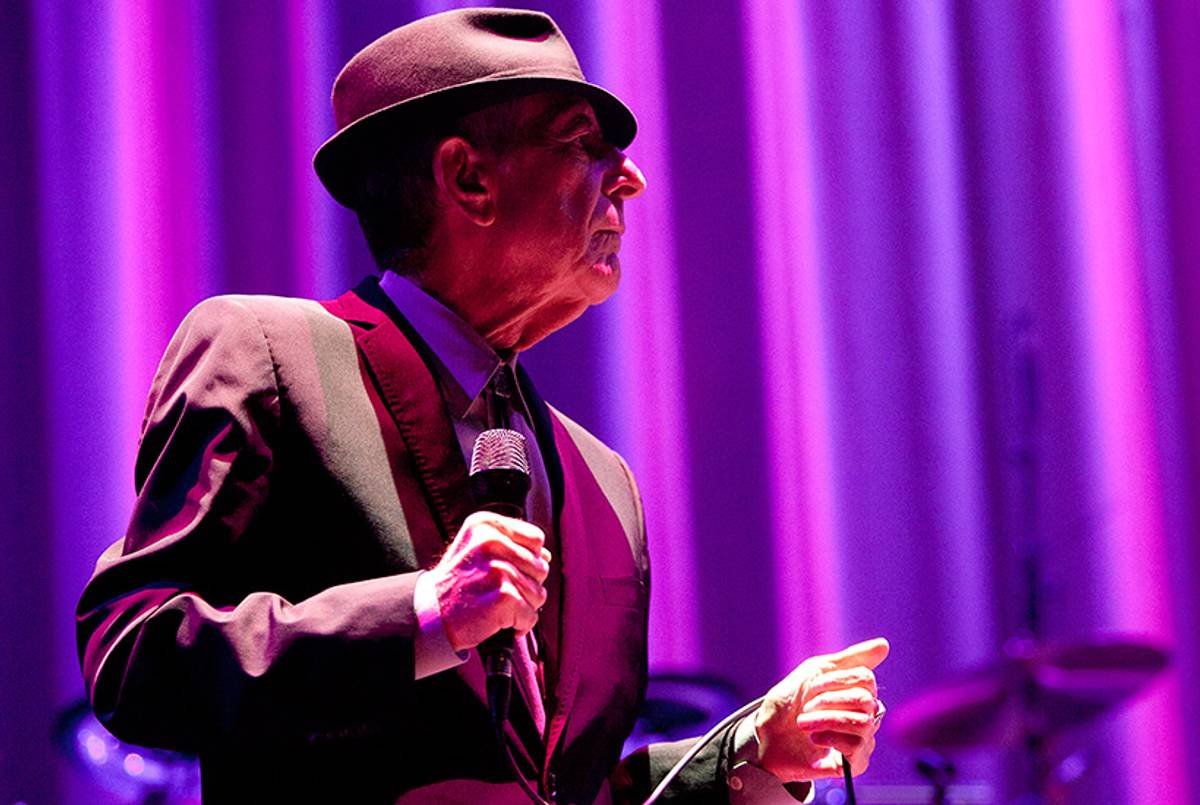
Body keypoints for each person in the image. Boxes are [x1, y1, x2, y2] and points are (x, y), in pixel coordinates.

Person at [76, 8, 888, 803]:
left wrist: (751, 753)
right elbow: (134, 652)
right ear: (468, 177)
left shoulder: (603, 480)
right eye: (582, 143)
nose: (632, 176)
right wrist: (422, 613)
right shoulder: (269, 352)